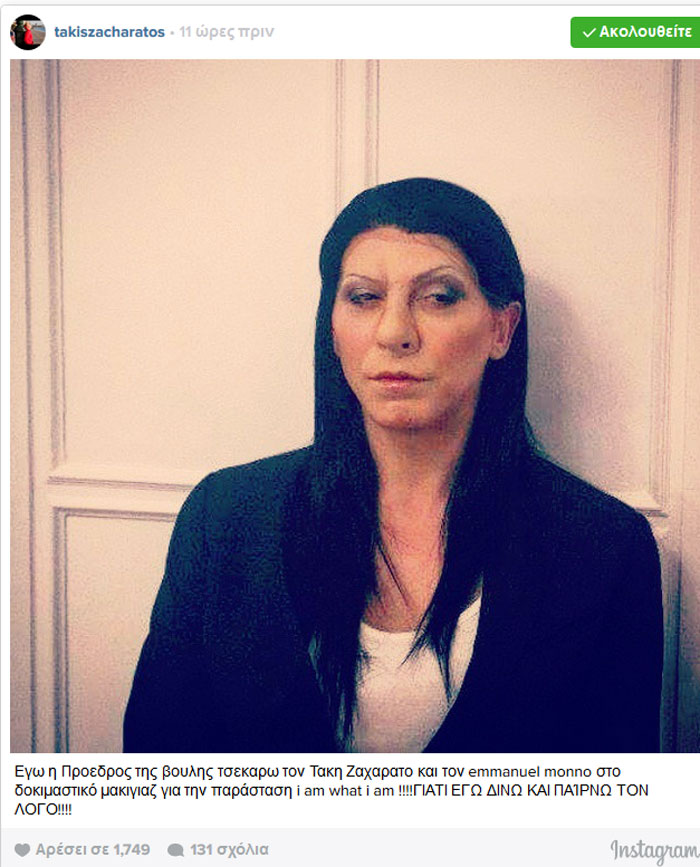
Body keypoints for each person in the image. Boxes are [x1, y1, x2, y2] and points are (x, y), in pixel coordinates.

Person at [124, 177, 663, 753]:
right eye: (363, 298)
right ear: (333, 328)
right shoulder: (226, 518)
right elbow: (161, 765)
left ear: (501, 329)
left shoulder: (604, 548)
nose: (394, 332)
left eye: (439, 297)